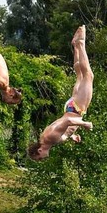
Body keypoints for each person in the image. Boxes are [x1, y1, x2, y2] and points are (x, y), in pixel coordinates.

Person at [27, 25, 93, 161]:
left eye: (40, 158)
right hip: (70, 107)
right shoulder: (46, 140)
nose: (43, 159)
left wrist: (85, 124)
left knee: (88, 76)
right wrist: (72, 136)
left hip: (76, 110)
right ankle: (75, 46)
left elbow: (68, 121)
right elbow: (62, 129)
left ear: (39, 150)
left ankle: (80, 44)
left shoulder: (49, 137)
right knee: (80, 76)